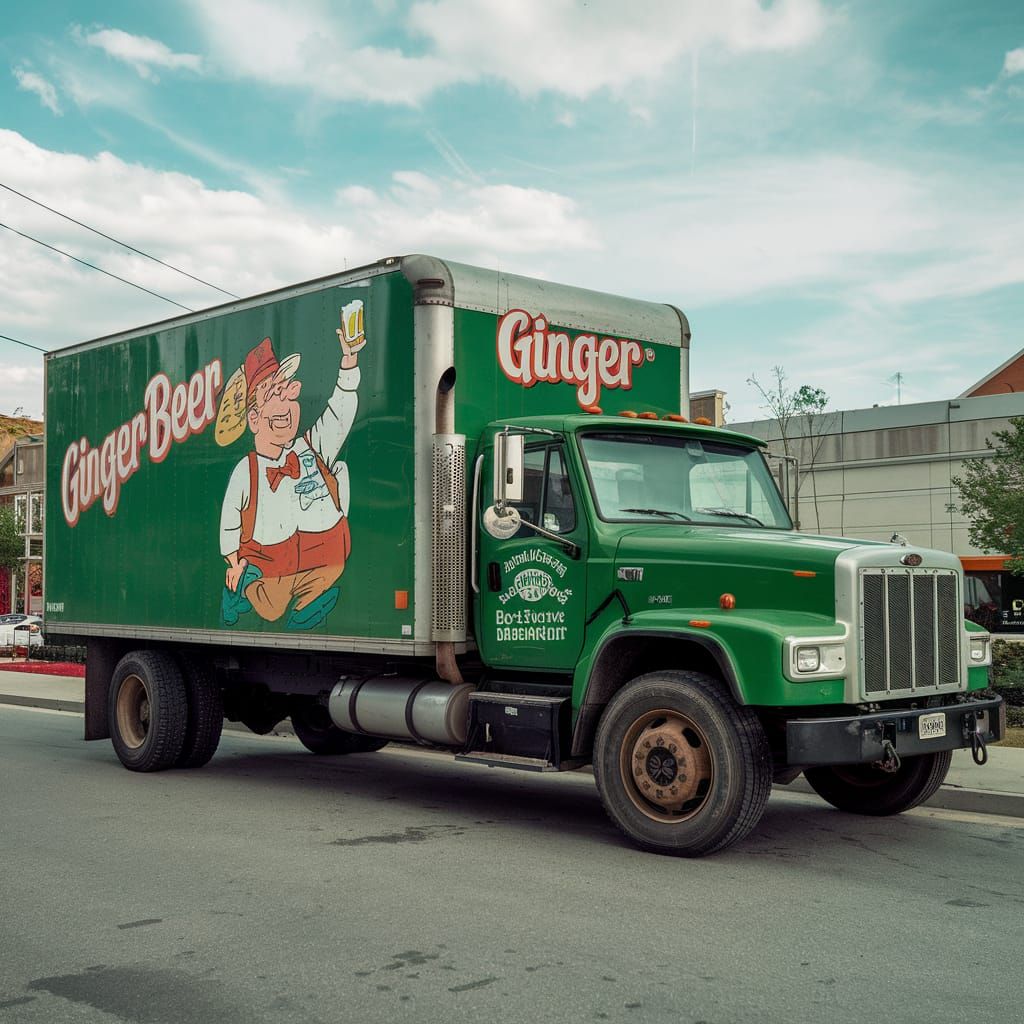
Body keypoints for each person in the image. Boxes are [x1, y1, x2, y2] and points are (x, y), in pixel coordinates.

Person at [217, 321, 361, 630]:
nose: (285, 405)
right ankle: (241, 589)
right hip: (271, 561)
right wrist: (232, 562)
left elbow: (340, 413)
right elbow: (230, 517)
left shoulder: (311, 445)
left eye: (288, 393)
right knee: (271, 607)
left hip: (324, 550)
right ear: (254, 419)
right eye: (273, 396)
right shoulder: (248, 470)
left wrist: (348, 365)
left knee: (325, 575)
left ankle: (309, 606)